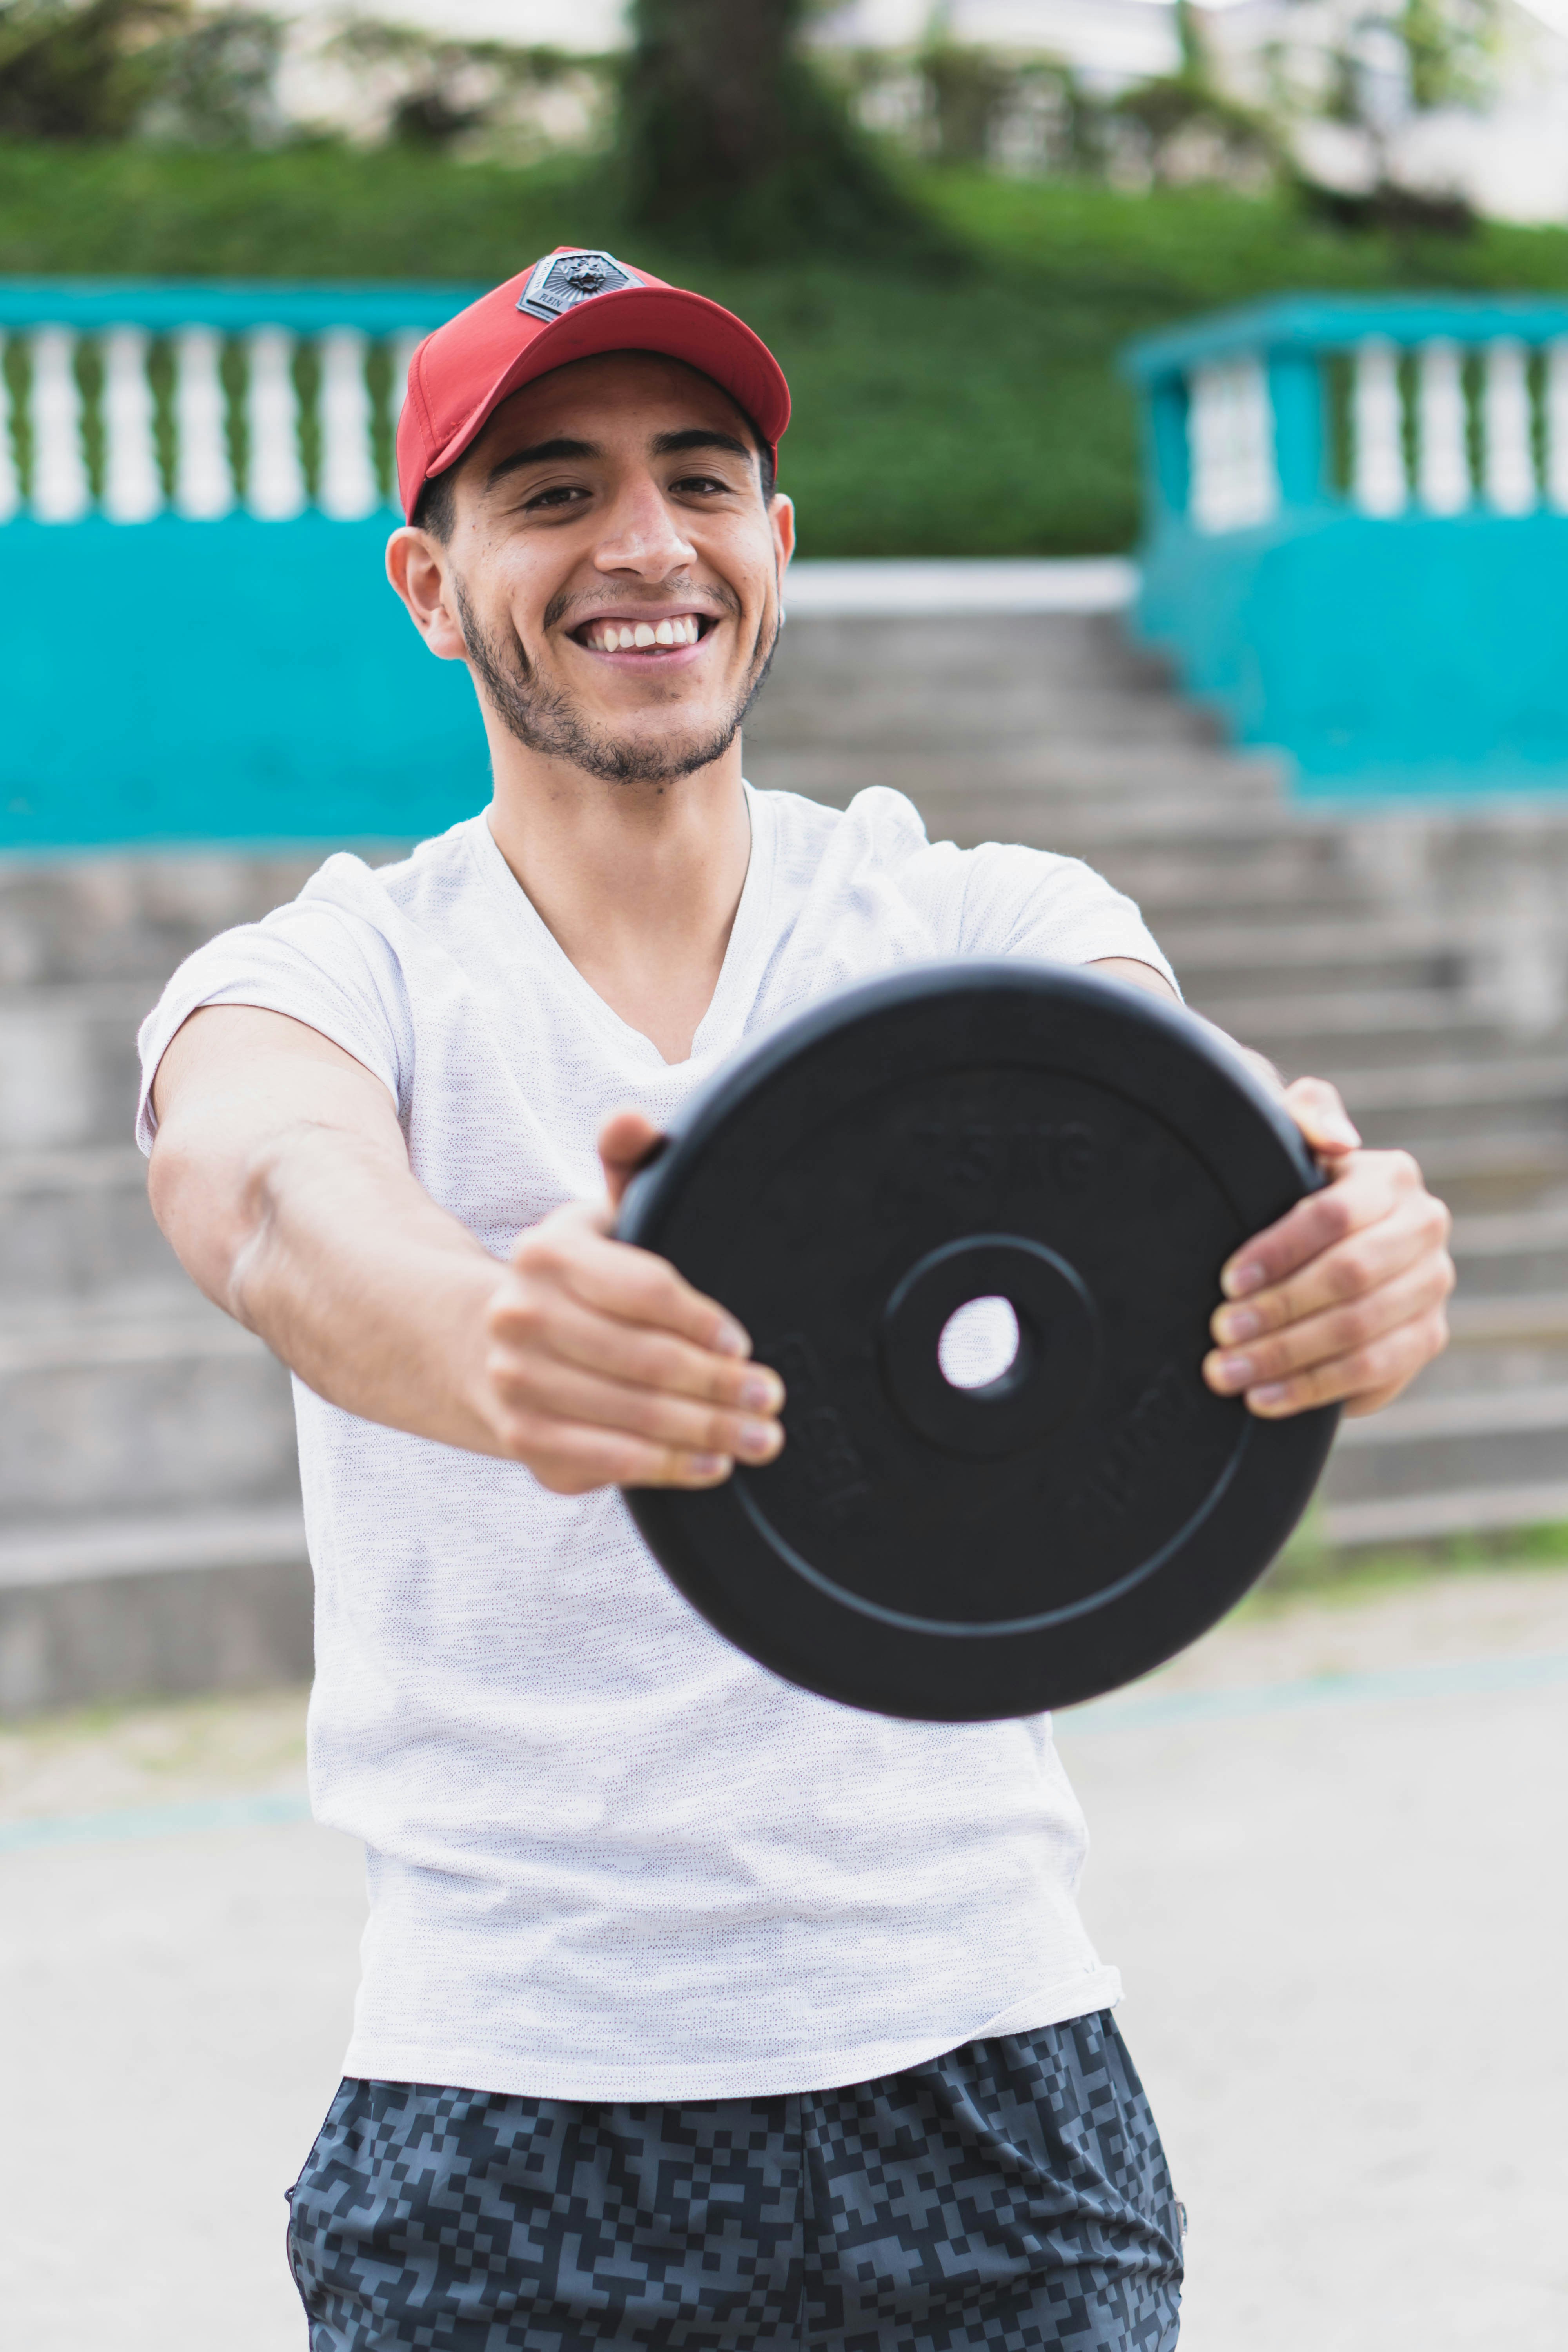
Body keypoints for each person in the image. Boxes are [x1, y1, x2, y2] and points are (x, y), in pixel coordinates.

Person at [137, 248, 1454, 2351]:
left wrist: (1343, 1259)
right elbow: (275, 1198)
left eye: (704, 477)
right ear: (427, 580)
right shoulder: (341, 971)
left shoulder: (982, 928)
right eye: (553, 490)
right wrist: (506, 1344)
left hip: (992, 2082)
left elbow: (1182, 1154)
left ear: (778, 544)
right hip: (505, 2112)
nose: (644, 541)